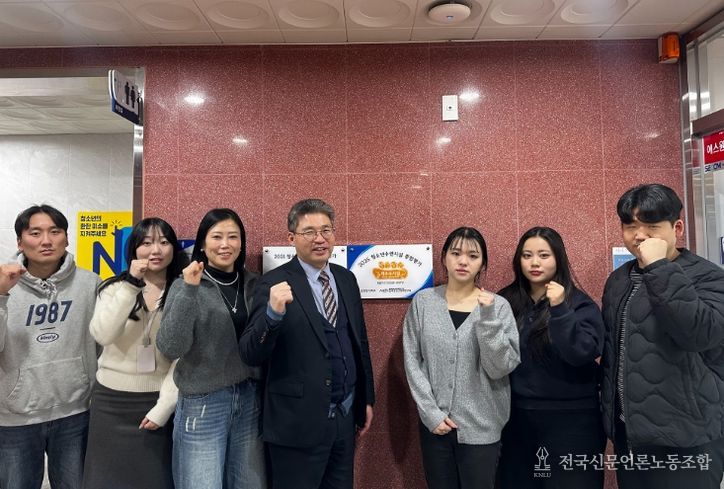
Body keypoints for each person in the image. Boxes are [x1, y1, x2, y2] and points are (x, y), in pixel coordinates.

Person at [240, 198, 375, 489]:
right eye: (309, 232)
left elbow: (359, 342)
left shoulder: (346, 279)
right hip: (295, 424)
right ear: (291, 238)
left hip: (344, 418)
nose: (320, 239)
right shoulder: (273, 283)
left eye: (326, 230)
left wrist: (366, 398)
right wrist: (272, 315)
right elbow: (250, 352)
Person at [601, 183, 724, 489]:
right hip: (630, 437)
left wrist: (658, 266)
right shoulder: (619, 279)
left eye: (652, 226)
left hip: (688, 438)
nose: (639, 236)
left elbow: (700, 334)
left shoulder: (709, 276)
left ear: (677, 228)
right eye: (630, 226)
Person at [403, 226, 520, 489]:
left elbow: (500, 367)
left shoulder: (498, 306)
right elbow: (413, 361)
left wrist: (488, 319)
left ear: (483, 264)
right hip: (435, 427)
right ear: (444, 257)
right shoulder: (423, 303)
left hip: (482, 428)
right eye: (456, 253)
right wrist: (431, 413)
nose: (463, 261)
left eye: (473, 256)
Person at [156, 208, 265, 489]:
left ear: (242, 243)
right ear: (203, 244)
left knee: (249, 484)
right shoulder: (185, 284)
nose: (225, 244)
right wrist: (189, 290)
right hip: (203, 402)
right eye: (216, 237)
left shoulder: (254, 284)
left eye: (233, 237)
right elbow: (170, 346)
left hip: (249, 399)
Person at [0, 204, 100, 488]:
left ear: (66, 238)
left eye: (55, 232)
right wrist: (1, 295)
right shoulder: (2, 283)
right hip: (15, 417)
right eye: (35, 233)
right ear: (19, 241)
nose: (46, 240)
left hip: (75, 411)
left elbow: (103, 343)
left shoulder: (89, 283)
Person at [497, 226, 605, 488]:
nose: (534, 262)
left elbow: (582, 352)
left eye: (544, 255)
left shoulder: (578, 303)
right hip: (517, 419)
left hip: (574, 422)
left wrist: (560, 309)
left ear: (558, 258)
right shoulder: (505, 301)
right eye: (527, 255)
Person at [82, 217, 186, 489]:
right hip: (111, 401)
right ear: (134, 249)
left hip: (158, 400)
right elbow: (103, 334)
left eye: (164, 242)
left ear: (174, 248)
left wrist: (164, 407)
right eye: (147, 243)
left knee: (155, 480)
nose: (156, 250)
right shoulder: (113, 289)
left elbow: (185, 356)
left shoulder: (183, 291)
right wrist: (131, 284)